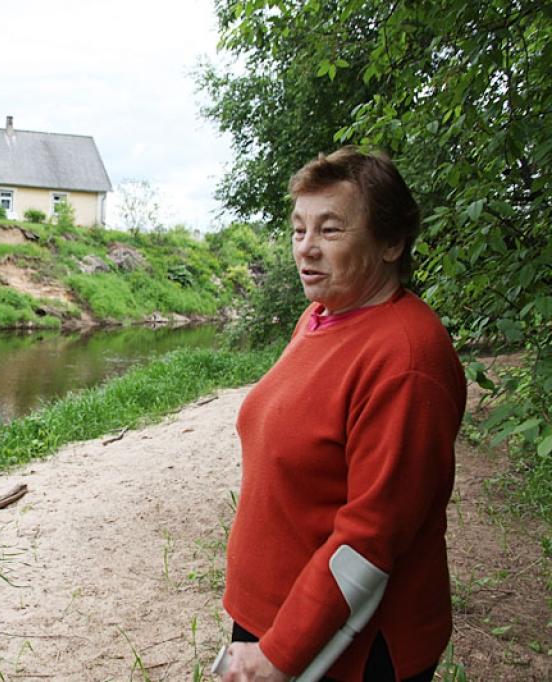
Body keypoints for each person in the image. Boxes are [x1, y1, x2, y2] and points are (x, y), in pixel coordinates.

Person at [221, 147, 466, 682]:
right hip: (273, 612)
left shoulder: (406, 360)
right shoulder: (321, 315)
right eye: (298, 229)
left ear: (391, 243)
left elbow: (369, 539)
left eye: (330, 230)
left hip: (345, 647)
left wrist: (278, 654)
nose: (305, 248)